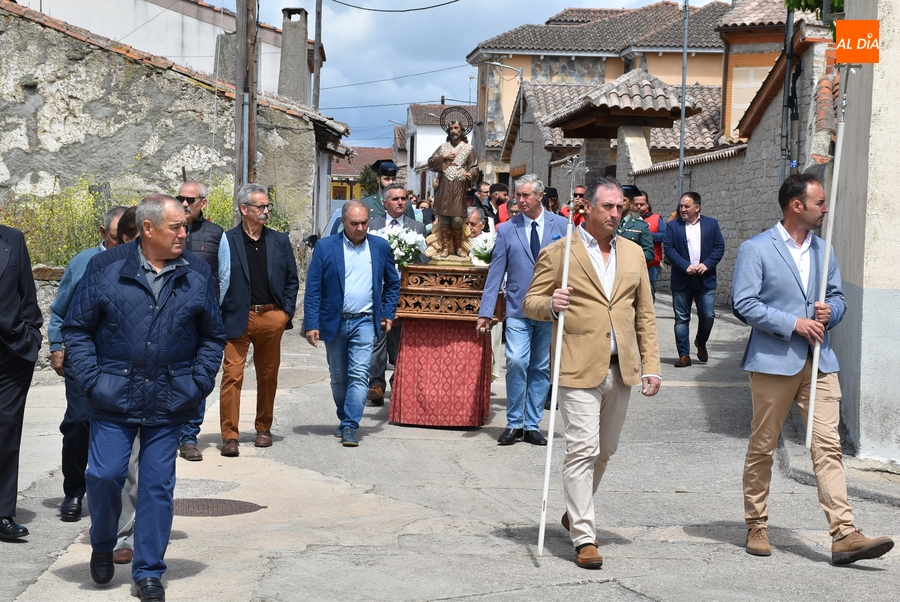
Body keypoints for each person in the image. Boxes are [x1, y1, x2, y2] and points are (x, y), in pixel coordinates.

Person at [62, 194, 225, 599]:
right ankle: (103, 544)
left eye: (185, 226)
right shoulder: (104, 268)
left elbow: (212, 335)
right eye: (177, 227)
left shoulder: (198, 273)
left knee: (156, 487)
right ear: (148, 229)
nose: (185, 233)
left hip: (170, 397)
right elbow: (77, 329)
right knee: (103, 476)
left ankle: (148, 570)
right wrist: (93, 380)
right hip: (112, 395)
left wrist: (197, 381)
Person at [732, 173, 894, 564]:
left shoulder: (825, 249)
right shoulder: (756, 249)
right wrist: (793, 323)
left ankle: (844, 534)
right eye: (820, 203)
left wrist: (830, 311)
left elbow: (838, 298)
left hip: (820, 362)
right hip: (773, 361)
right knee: (763, 445)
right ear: (796, 206)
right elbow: (744, 303)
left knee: (828, 447)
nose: (826, 209)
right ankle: (756, 522)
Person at [524, 176, 660, 569]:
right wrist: (550, 302)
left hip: (621, 368)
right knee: (582, 449)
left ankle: (573, 510)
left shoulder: (634, 253)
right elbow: (529, 301)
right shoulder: (560, 251)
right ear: (589, 208)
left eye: (621, 207)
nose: (616, 214)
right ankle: (584, 535)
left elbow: (645, 315)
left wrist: (651, 365)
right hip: (577, 364)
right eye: (609, 207)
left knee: (605, 450)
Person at [476, 174, 568, 446]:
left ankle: (531, 424)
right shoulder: (506, 229)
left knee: (541, 367)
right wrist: (486, 311)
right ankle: (513, 422)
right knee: (516, 361)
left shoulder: (562, 226)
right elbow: (495, 273)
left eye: (526, 195)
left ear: (541, 196)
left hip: (549, 309)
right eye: (518, 195)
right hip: (517, 307)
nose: (520, 200)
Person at [48, 206, 125, 522]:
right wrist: (56, 347)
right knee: (79, 422)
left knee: (118, 428)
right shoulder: (82, 263)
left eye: (125, 237)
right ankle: (74, 491)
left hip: (121, 361)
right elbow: (59, 310)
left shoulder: (139, 263)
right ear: (102, 233)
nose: (120, 242)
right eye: (114, 236)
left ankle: (115, 493)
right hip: (82, 357)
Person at [304, 201, 401, 447]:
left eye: (364, 223)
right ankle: (344, 417)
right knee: (338, 377)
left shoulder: (379, 247)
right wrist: (311, 323)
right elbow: (313, 288)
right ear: (343, 222)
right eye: (354, 223)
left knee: (359, 375)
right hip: (335, 322)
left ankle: (350, 426)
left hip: (365, 322)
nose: (360, 228)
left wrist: (388, 313)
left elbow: (392, 283)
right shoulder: (326, 247)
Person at [219, 183, 299, 457]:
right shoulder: (227, 240)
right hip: (236, 317)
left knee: (268, 375)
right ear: (244, 209)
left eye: (267, 206)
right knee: (231, 376)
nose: (266, 211)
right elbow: (218, 278)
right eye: (260, 207)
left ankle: (263, 429)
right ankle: (230, 436)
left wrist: (284, 313)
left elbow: (292, 279)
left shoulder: (279, 240)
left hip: (270, 316)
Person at [175, 181, 230, 462]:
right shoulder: (167, 228)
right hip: (170, 321)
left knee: (200, 377)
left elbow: (225, 277)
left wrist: (214, 313)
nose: (185, 204)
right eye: (180, 198)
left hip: (204, 321)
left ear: (203, 203)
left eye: (190, 199)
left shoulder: (217, 234)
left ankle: (188, 438)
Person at [366, 184, 427, 406]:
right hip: (379, 291)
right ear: (385, 203)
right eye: (395, 199)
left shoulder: (418, 227)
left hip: (405, 292)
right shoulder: (372, 226)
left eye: (403, 199)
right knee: (378, 338)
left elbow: (423, 261)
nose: (401, 202)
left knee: (403, 341)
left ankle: (399, 381)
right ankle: (376, 385)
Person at [0, 226, 42, 543]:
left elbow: (27, 291)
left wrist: (31, 336)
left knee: (7, 430)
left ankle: (3, 513)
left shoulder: (12, 239)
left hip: (12, 353)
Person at [664, 191, 725, 367]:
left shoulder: (711, 225)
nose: (682, 209)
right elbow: (669, 249)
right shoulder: (673, 226)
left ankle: (701, 341)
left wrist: (706, 265)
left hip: (705, 278)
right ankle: (684, 355)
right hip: (682, 279)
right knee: (681, 318)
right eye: (681, 206)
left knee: (708, 315)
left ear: (697, 207)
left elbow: (719, 247)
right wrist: (686, 266)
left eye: (686, 206)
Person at [427, 119, 479, 257]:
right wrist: (444, 156)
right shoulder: (443, 147)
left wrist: (470, 174)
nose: (453, 131)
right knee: (444, 217)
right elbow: (431, 162)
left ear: (461, 130)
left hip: (458, 185)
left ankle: (458, 248)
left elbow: (474, 166)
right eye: (451, 128)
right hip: (444, 184)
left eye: (456, 128)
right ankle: (445, 248)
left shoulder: (468, 148)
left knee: (456, 218)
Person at [632, 190, 665, 300]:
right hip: (631, 261)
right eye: (636, 204)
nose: (639, 207)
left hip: (651, 263)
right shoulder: (627, 219)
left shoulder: (656, 218)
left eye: (642, 204)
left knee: (649, 294)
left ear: (647, 204)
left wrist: (646, 235)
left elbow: (664, 235)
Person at [617, 185, 654, 263]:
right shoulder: (608, 223)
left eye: (623, 200)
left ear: (631, 204)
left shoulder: (641, 226)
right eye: (617, 200)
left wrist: (630, 258)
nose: (620, 203)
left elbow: (649, 253)